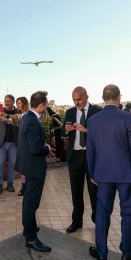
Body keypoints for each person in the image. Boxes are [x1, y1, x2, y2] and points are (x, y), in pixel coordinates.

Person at [87, 84, 131, 260]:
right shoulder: (127, 118)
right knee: (128, 213)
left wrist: (92, 173)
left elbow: (90, 150)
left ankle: (101, 252)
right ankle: (127, 253)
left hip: (103, 174)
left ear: (104, 98)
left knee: (102, 213)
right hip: (126, 174)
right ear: (119, 97)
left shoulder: (93, 120)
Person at [14, 91, 53, 252]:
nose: (46, 108)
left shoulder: (26, 118)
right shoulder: (32, 121)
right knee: (32, 203)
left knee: (28, 201)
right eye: (46, 105)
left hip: (28, 166)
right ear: (41, 105)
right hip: (34, 168)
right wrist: (48, 148)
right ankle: (30, 238)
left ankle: (28, 228)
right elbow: (35, 148)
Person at [63, 86, 101, 233]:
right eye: (74, 99)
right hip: (75, 156)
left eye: (78, 99)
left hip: (92, 157)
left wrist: (86, 130)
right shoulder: (70, 112)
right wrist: (67, 130)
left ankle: (97, 220)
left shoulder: (97, 111)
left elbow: (102, 133)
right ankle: (77, 221)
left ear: (87, 97)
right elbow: (62, 131)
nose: (76, 102)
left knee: (94, 191)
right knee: (76, 191)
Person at [0, 97, 29, 196]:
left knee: (21, 167)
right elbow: (15, 123)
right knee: (20, 167)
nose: (18, 105)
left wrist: (5, 115)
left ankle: (21, 187)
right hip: (15, 143)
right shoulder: (20, 113)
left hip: (22, 144)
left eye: (19, 103)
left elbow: (18, 118)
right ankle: (21, 187)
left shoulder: (26, 114)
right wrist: (6, 120)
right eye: (17, 103)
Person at [0, 95, 18, 195]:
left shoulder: (17, 113)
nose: (6, 103)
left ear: (13, 102)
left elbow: (20, 125)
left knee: (12, 164)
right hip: (1, 143)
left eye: (9, 101)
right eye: (5, 101)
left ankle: (10, 184)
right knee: (0, 163)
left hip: (14, 143)